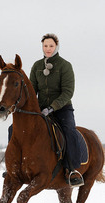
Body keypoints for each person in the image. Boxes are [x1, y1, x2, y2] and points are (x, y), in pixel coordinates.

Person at [29, 33, 84, 187]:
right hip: (40, 110)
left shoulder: (65, 65)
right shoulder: (36, 66)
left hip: (62, 108)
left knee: (69, 131)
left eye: (51, 46)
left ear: (56, 47)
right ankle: (16, 166)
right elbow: (32, 90)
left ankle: (72, 169)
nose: (48, 49)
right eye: (45, 46)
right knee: (15, 128)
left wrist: (52, 107)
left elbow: (68, 92)